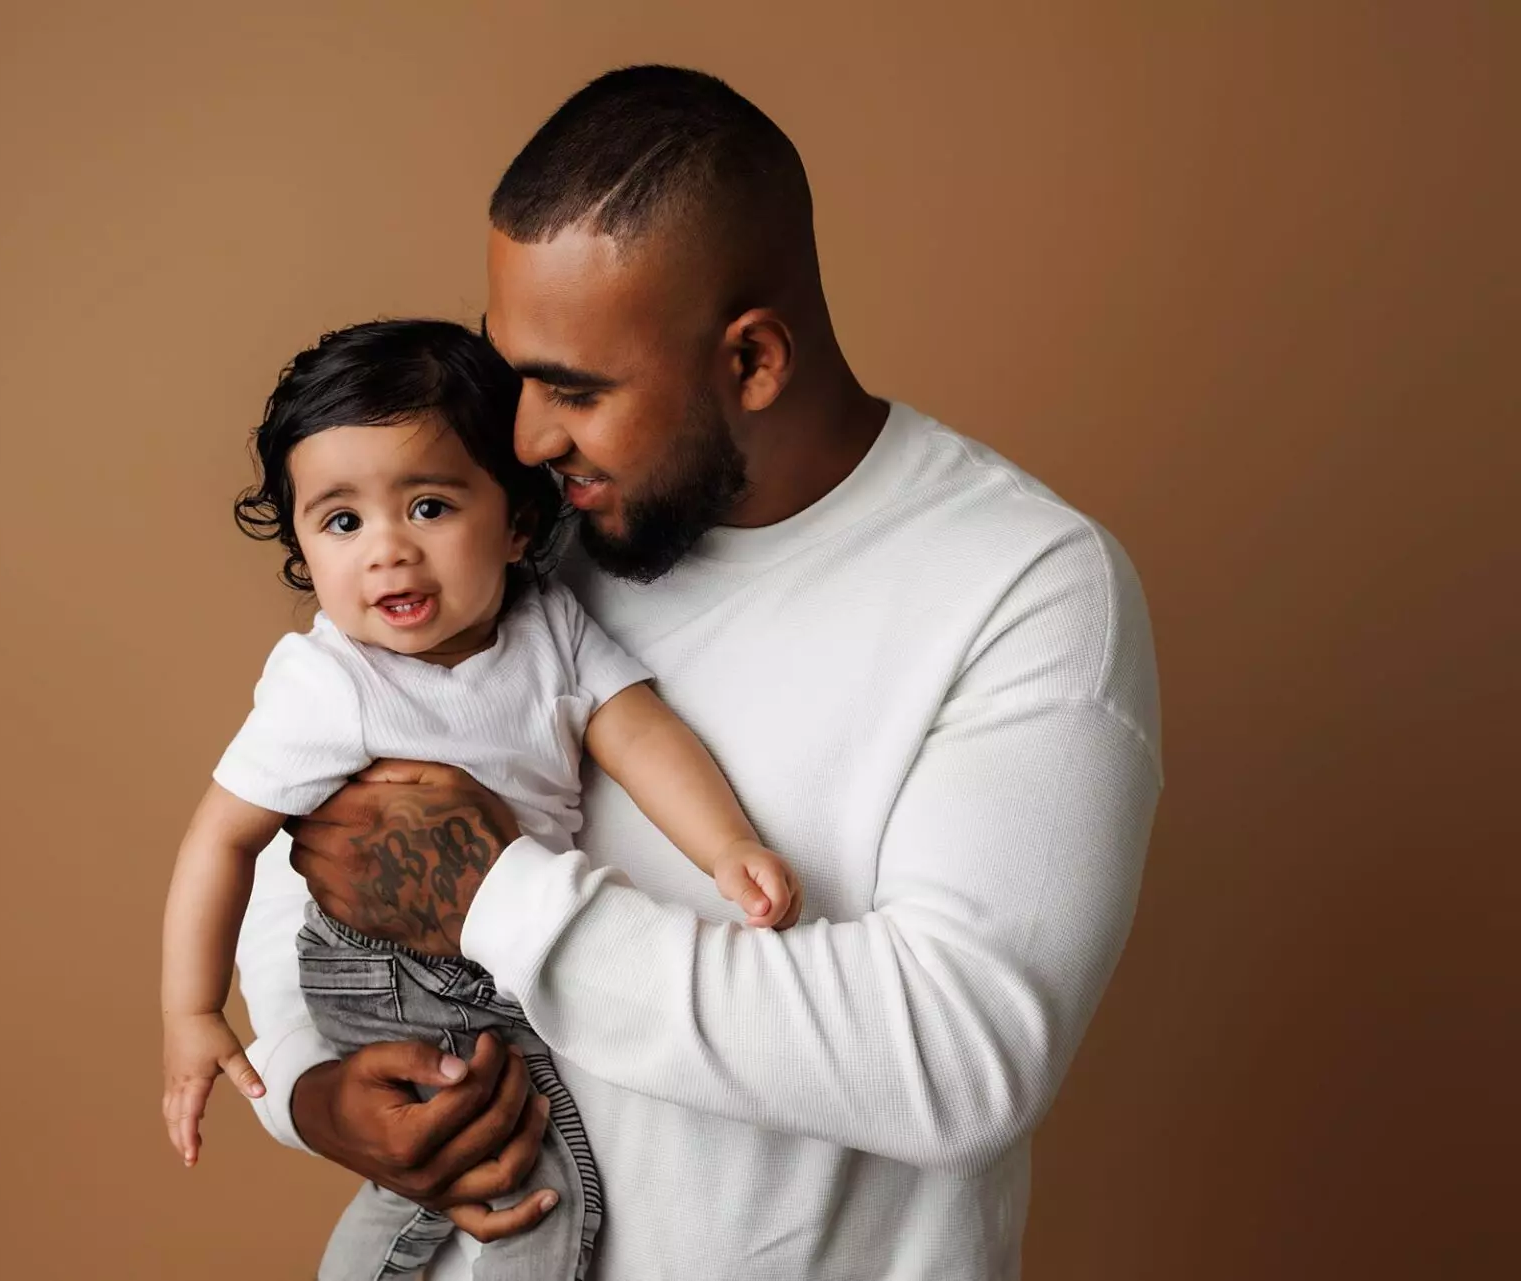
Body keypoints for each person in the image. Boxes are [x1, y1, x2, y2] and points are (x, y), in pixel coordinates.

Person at [239, 66, 1163, 1279]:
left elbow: (956, 1057)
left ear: (755, 361)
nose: (522, 435)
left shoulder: (1025, 585)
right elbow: (311, 851)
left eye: (576, 389)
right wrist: (313, 1091)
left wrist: (497, 900)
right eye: (513, 371)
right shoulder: (516, 530)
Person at [159, 318, 803, 1280]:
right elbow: (221, 840)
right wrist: (192, 1008)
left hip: (499, 947)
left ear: (515, 521)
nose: (388, 552)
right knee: (521, 1172)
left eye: (428, 506)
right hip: (388, 959)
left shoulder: (549, 626)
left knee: (493, 1160)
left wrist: (727, 847)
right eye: (342, 521)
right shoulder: (329, 682)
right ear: (301, 543)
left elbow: (637, 730)